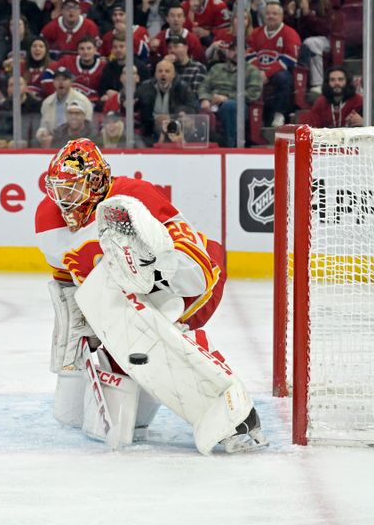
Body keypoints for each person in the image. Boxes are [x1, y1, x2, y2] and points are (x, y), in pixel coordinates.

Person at [35, 138, 267, 454]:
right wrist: (74, 348)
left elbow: (194, 270)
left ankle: (229, 407)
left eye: (73, 188)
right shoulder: (47, 219)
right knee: (74, 413)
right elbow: (68, 286)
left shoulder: (132, 198)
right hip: (130, 290)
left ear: (97, 182)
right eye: (59, 188)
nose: (65, 199)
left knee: (149, 338)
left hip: (188, 278)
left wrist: (141, 268)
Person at [198, 39, 264, 147]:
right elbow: (203, 86)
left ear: (246, 52)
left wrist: (226, 98)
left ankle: (230, 145)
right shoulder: (216, 68)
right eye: (233, 50)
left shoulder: (252, 71)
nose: (236, 53)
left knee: (230, 106)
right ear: (228, 52)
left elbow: (253, 94)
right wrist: (204, 99)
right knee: (193, 106)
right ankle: (196, 145)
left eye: (240, 50)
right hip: (212, 101)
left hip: (237, 105)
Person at [247, 1, 301, 128]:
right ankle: (252, 118)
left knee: (283, 78)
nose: (270, 16)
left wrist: (266, 73)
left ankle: (279, 114)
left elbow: (290, 59)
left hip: (278, 73)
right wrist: (259, 72)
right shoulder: (255, 33)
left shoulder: (290, 33)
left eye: (274, 14)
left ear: (281, 16)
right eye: (268, 13)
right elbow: (249, 55)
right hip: (257, 72)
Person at [285, 0, 333, 94]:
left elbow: (325, 28)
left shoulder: (324, 4)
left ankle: (317, 83)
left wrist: (307, 14)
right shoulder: (294, 2)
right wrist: (290, 15)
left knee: (310, 43)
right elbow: (289, 30)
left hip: (322, 40)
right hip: (300, 40)